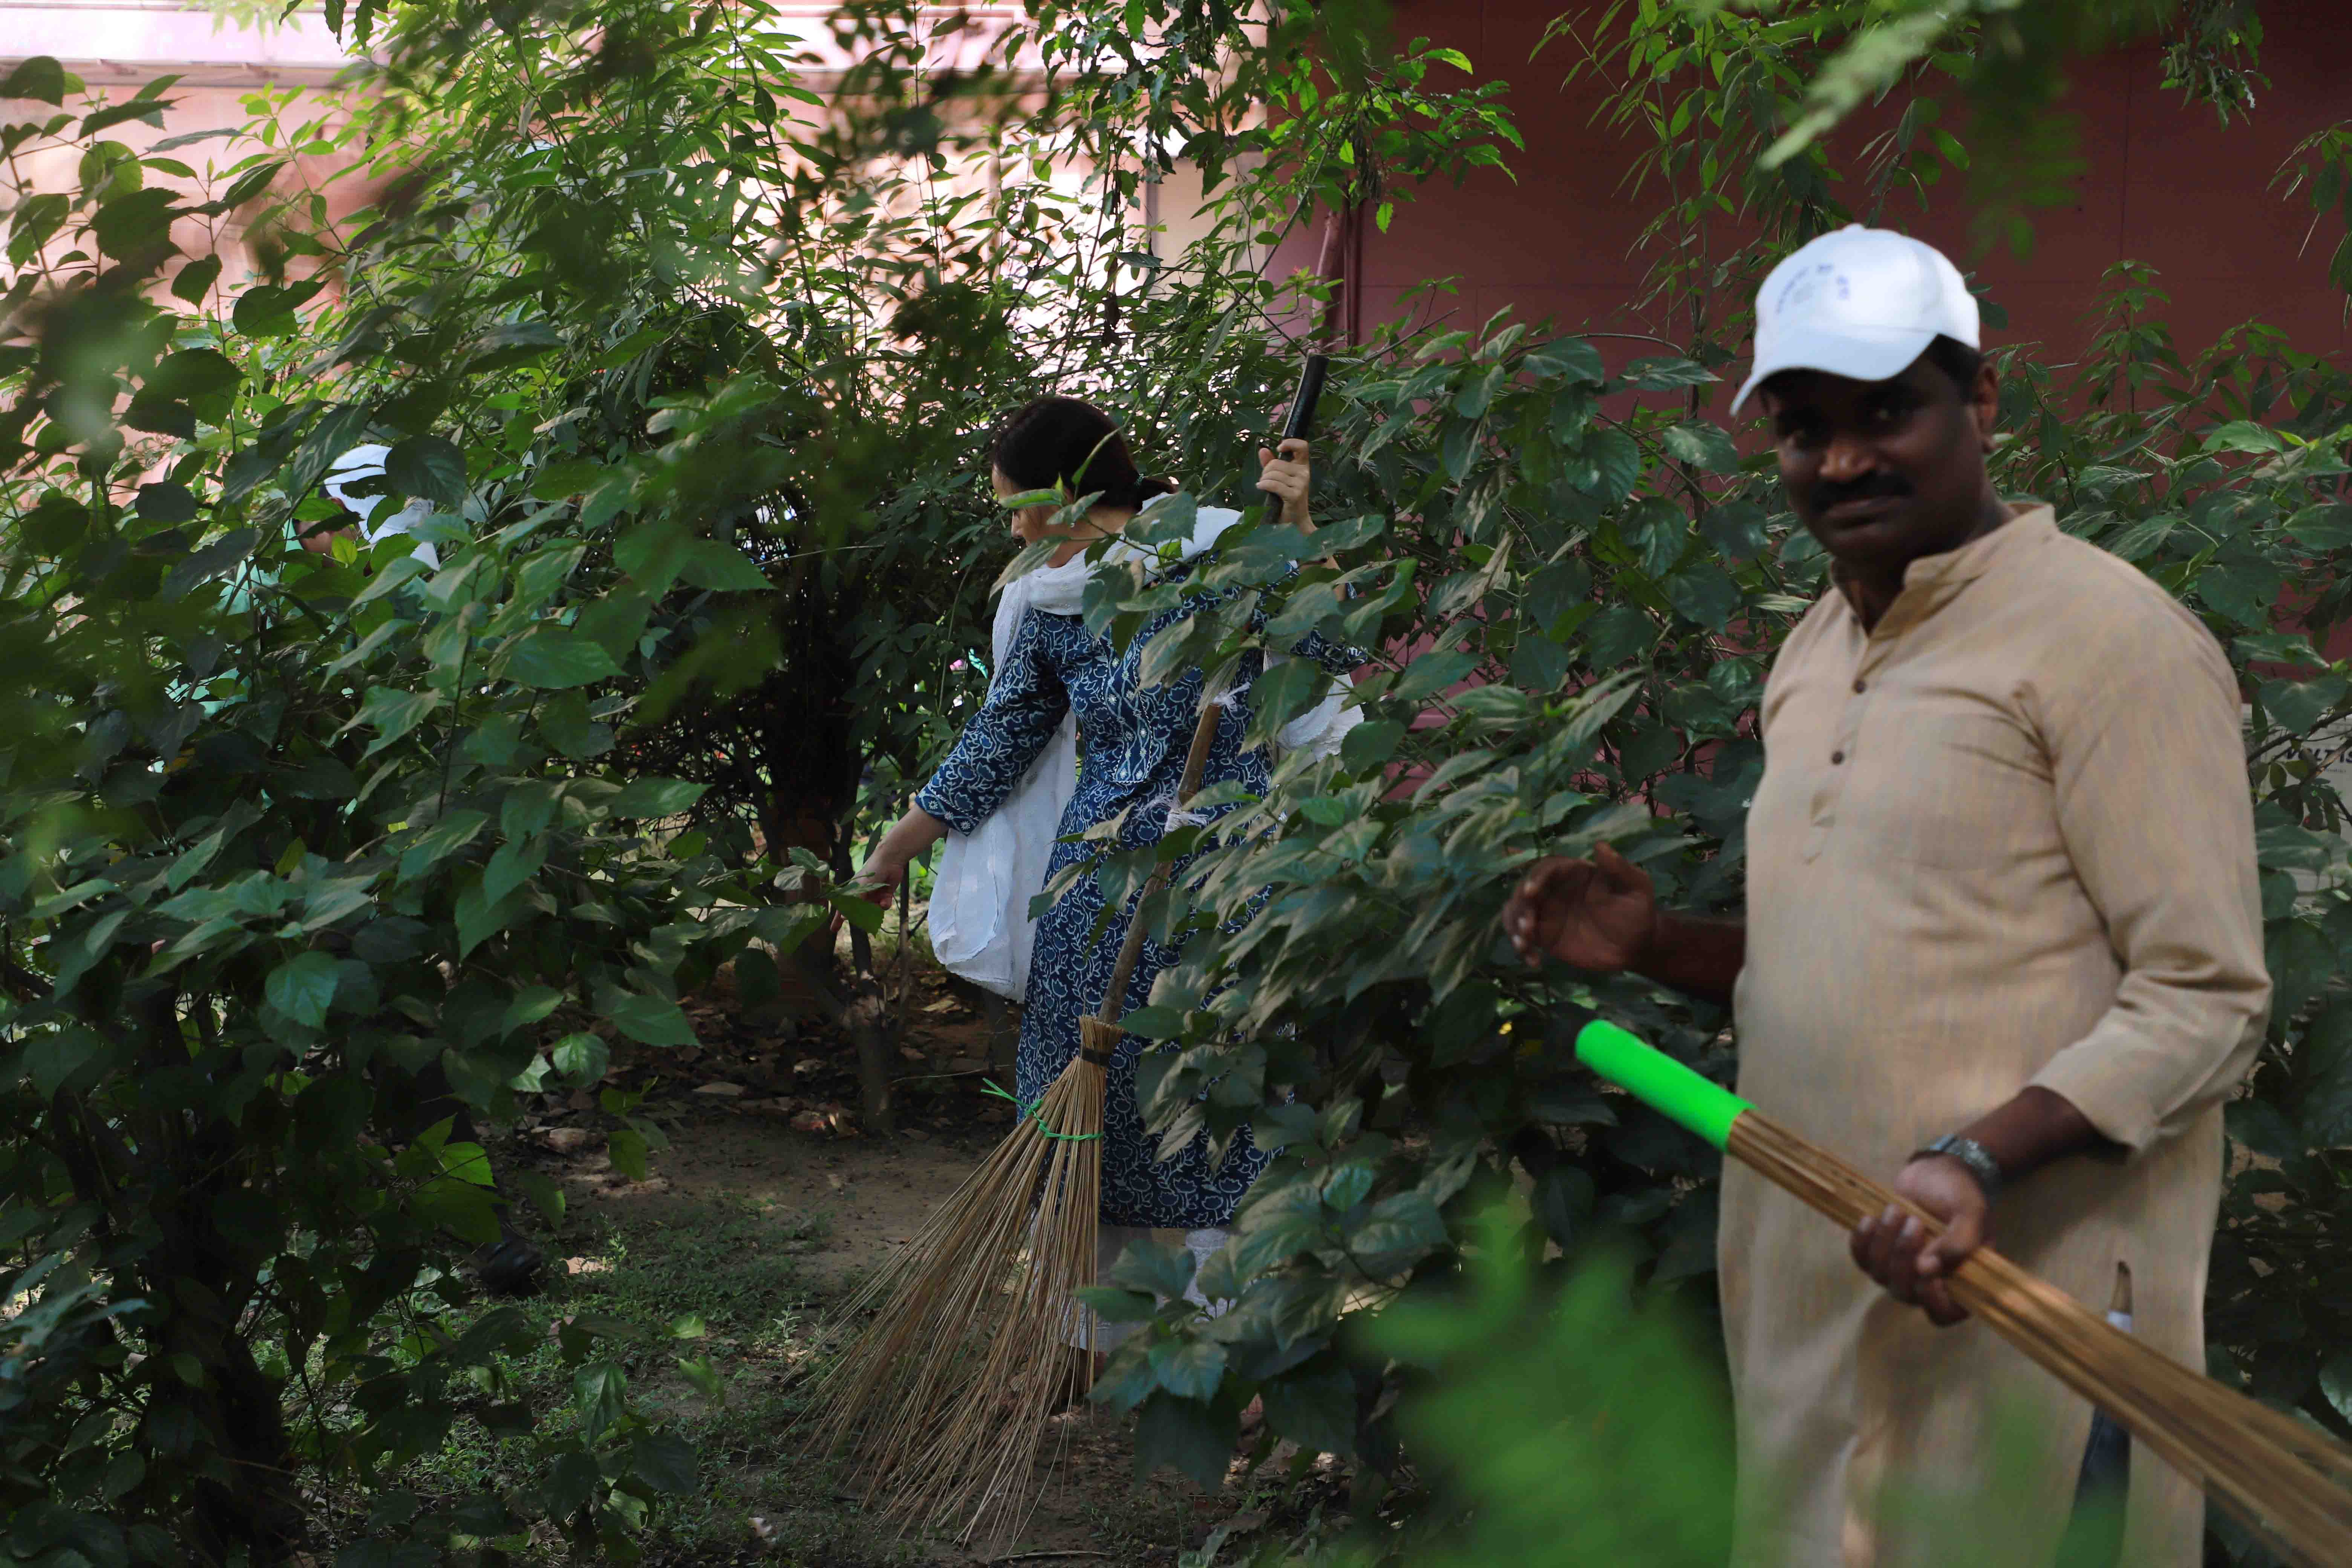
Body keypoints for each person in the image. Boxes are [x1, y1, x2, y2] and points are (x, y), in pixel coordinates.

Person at [1502, 226, 2270, 1566]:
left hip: (2033, 1313)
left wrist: (1976, 1158)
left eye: (1888, 412)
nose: (1846, 460)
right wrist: (1661, 944)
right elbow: (1876, 951)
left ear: (1980, 401)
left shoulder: (2113, 641)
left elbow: (2208, 998)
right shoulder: (1815, 650)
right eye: (1807, 429)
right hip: (1822, 1307)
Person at [860, 395, 1357, 1357]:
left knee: (1216, 1104)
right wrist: (893, 849)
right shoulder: (1052, 601)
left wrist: (1297, 527)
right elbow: (999, 742)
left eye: (1016, 507)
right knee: (1089, 1109)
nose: (1012, 532)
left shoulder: (1220, 554)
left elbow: (1333, 646)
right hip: (1097, 888)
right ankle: (1085, 1346)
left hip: (1224, 880)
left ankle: (1235, 1354)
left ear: (1066, 494)